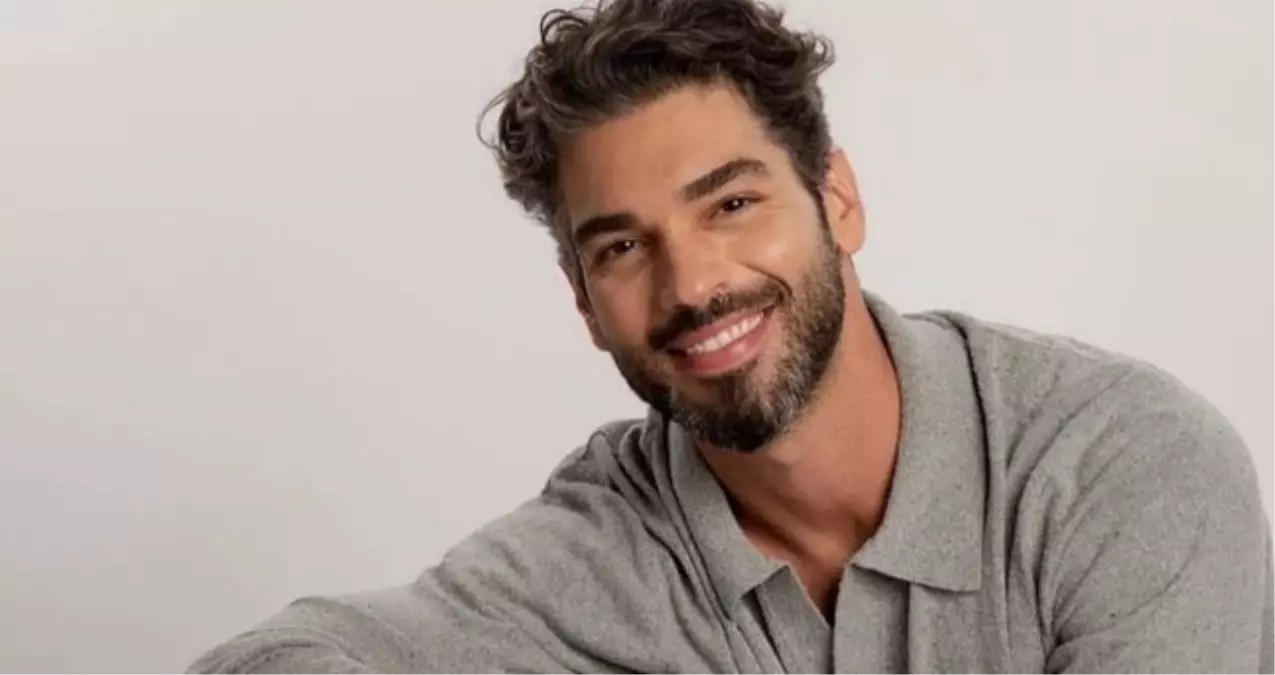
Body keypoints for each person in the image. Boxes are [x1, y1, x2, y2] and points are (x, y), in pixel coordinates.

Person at [188, 0, 1273, 672]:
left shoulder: (1120, 466)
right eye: (622, 247)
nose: (693, 284)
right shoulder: (610, 541)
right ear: (583, 302)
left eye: (732, 204)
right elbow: (272, 660)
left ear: (836, 199)